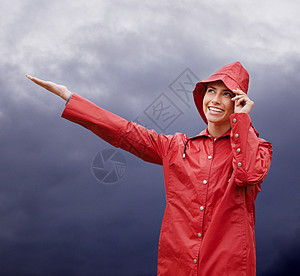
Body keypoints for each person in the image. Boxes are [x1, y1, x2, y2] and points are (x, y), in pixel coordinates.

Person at [26, 61, 272, 276]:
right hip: (178, 264)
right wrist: (71, 98)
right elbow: (125, 132)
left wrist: (242, 121)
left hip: (227, 266)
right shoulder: (176, 147)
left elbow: (247, 174)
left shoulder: (259, 148)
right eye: (211, 91)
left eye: (227, 94)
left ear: (239, 101)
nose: (216, 100)